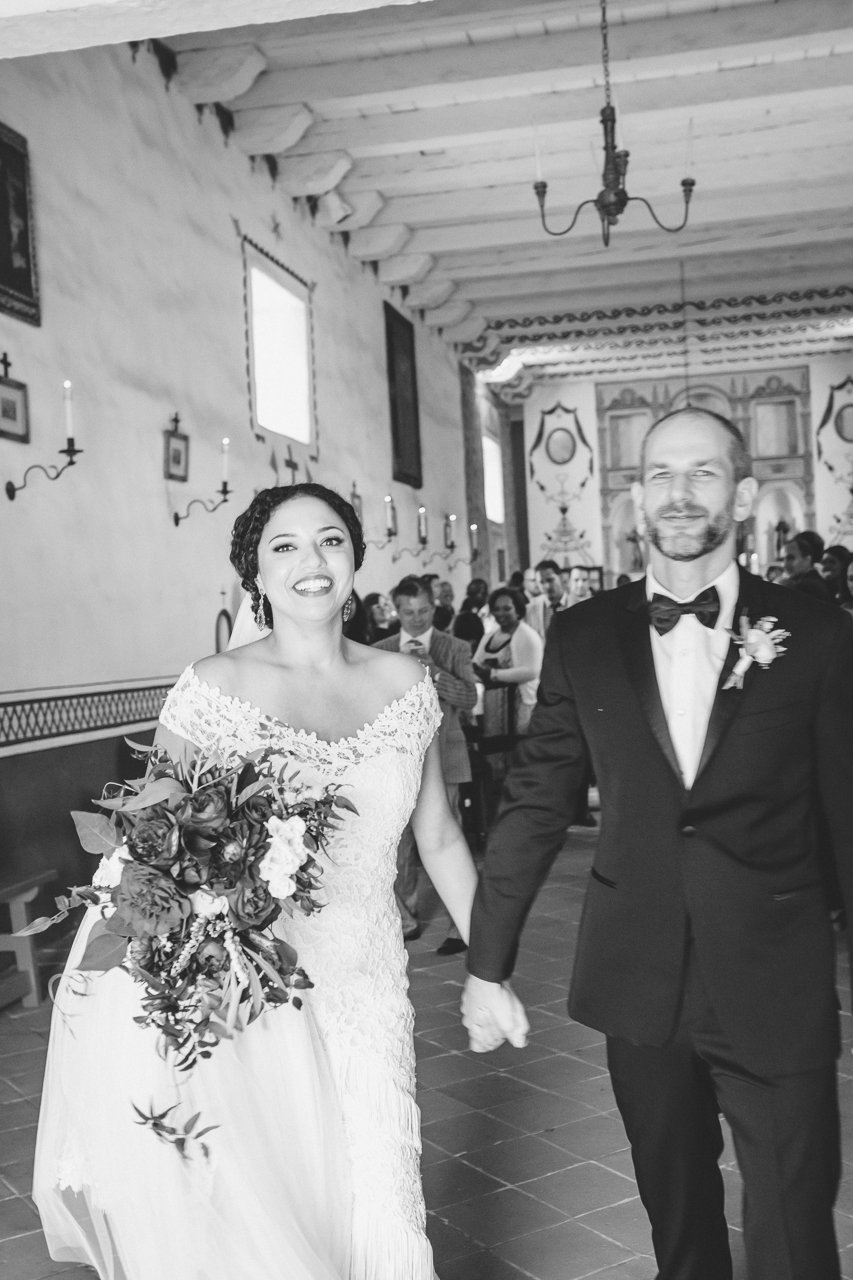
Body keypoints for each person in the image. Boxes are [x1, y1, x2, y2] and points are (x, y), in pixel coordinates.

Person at [35, 482, 478, 1280]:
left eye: (330, 541)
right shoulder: (213, 688)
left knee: (378, 1187)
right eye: (285, 546)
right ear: (256, 574)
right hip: (250, 994)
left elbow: (439, 835)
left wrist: (492, 961)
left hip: (366, 981)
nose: (312, 561)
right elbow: (151, 848)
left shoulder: (406, 685)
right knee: (273, 1202)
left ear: (354, 560)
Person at [462, 408, 853, 1280]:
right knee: (679, 1233)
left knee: (794, 1235)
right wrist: (487, 963)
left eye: (702, 472)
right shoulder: (583, 635)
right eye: (660, 475)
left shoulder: (819, 634)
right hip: (637, 978)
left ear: (741, 496)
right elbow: (534, 801)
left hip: (774, 975)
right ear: (637, 497)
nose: (678, 493)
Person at [372, 576, 477, 945]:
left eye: (423, 611)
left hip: (446, 754)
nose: (416, 619)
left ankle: (460, 923)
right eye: (408, 612)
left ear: (434, 608)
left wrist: (434, 671)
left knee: (449, 835)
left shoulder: (455, 647)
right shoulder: (381, 650)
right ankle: (405, 917)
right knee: (398, 840)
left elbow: (469, 698)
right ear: (397, 611)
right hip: (397, 759)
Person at [472, 586, 543, 818]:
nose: (501, 613)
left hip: (520, 705)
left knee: (519, 758)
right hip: (494, 707)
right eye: (497, 609)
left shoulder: (528, 635)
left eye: (507, 608)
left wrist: (494, 674)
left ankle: (525, 812)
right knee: (497, 759)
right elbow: (476, 662)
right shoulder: (490, 636)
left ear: (518, 609)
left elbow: (532, 670)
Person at [782, 530, 834, 602]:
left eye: (791, 558)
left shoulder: (803, 586)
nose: (784, 565)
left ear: (807, 559)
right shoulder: (818, 581)